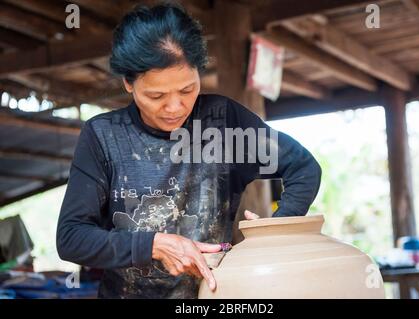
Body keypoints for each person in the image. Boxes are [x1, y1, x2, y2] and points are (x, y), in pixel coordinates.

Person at [56, 3, 321, 299]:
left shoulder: (223, 122)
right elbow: (71, 238)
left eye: (186, 90)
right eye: (156, 95)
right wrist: (154, 244)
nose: (174, 107)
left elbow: (303, 168)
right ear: (128, 83)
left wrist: (274, 233)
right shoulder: (104, 136)